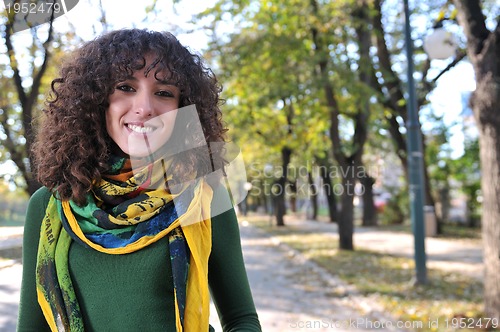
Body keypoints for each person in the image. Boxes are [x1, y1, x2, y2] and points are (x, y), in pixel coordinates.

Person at [17, 28, 261, 332]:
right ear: (95, 100)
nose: (145, 108)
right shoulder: (48, 206)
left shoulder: (205, 196)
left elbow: (242, 320)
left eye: (164, 92)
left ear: (183, 110)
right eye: (125, 86)